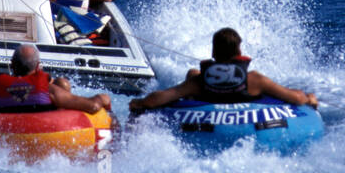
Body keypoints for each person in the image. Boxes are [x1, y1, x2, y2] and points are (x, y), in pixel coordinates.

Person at [129, 26, 318, 115]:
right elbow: (296, 98)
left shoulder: (199, 82)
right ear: (239, 52)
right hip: (251, 116)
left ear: (213, 52)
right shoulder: (255, 80)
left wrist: (140, 102)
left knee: (192, 73)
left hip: (204, 108)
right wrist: (308, 98)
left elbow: (160, 98)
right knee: (193, 74)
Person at [0, 43, 113, 118]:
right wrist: (102, 98)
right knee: (63, 84)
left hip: (4, 131)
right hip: (49, 130)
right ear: (38, 67)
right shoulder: (47, 89)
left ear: (12, 66)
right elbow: (92, 107)